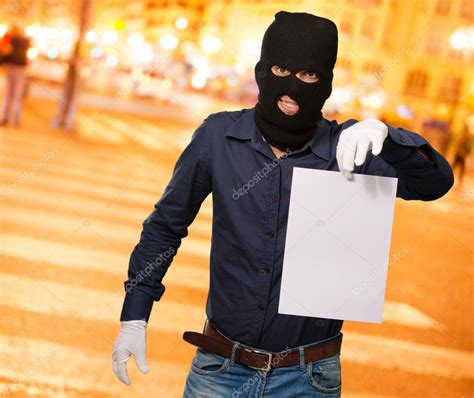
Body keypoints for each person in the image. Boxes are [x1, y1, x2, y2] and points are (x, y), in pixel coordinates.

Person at [112, 11, 454, 397]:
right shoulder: (218, 137)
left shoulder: (349, 149)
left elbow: (435, 183)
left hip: (308, 378)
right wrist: (135, 315)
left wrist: (389, 137)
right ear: (262, 71)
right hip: (220, 370)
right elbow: (165, 227)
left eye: (309, 76)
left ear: (325, 82)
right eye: (280, 69)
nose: (293, 87)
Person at [0, 24, 30, 127]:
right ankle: (14, 120)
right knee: (16, 95)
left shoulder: (8, 38)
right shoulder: (25, 40)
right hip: (20, 68)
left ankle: (4, 118)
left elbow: (3, 52)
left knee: (8, 94)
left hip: (10, 67)